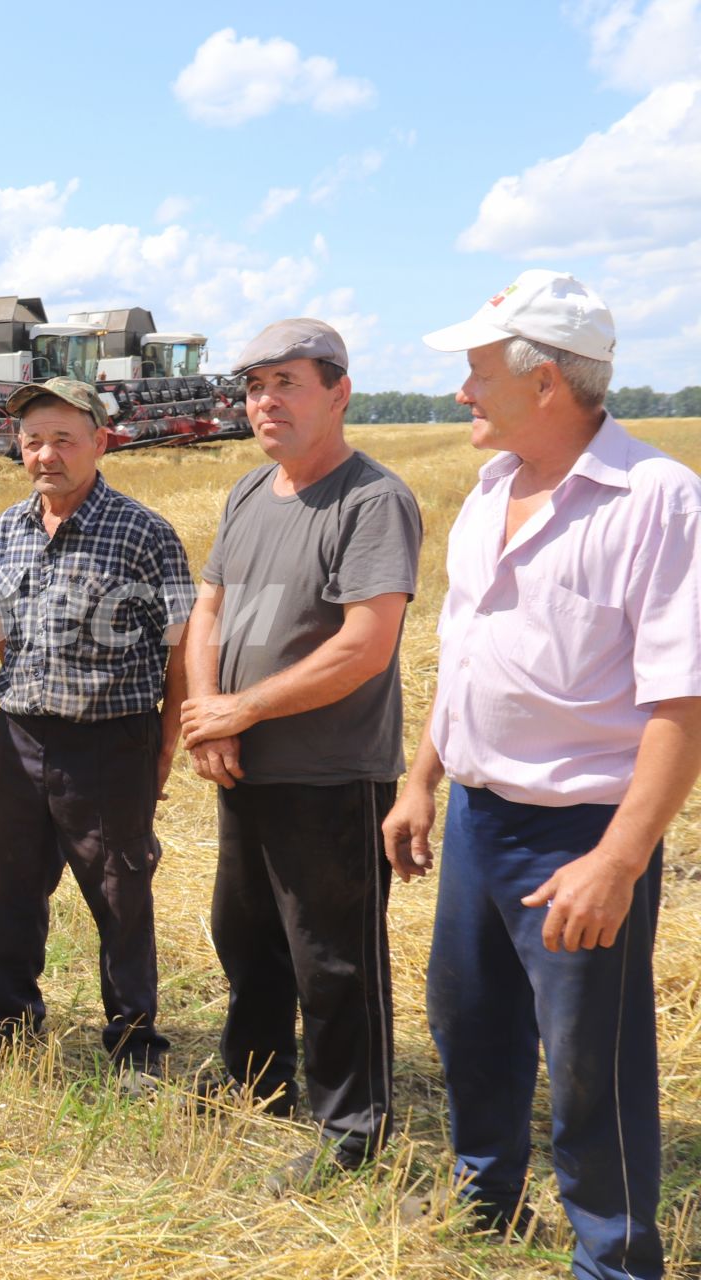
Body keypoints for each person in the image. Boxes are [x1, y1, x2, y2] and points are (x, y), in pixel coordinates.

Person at [385, 270, 701, 1279]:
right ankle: (488, 1201)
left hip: (582, 832)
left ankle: (614, 1255)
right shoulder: (489, 491)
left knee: (590, 1064)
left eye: (479, 372)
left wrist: (620, 857)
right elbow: (466, 657)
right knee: (468, 1022)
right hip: (478, 816)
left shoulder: (657, 500)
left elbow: (682, 704)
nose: (462, 394)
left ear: (549, 380)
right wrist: (423, 778)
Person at [179, 318, 421, 1189]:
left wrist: (237, 708)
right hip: (246, 763)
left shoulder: (371, 501)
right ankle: (257, 1077)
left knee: (333, 954)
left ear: (339, 392)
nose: (266, 401)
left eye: (288, 382)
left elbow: (365, 645)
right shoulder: (251, 493)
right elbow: (209, 610)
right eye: (254, 386)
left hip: (330, 771)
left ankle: (353, 1125)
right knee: (245, 934)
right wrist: (211, 717)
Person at [0, 377, 192, 1075]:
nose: (46, 455)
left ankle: (134, 1044)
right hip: (22, 736)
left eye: (64, 439)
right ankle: (11, 1023)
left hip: (111, 741)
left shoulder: (145, 533)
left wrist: (165, 745)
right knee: (7, 886)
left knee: (121, 892)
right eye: (33, 441)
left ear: (99, 441)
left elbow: (183, 648)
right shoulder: (2, 532)